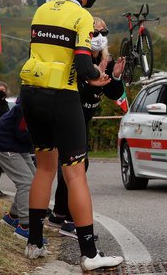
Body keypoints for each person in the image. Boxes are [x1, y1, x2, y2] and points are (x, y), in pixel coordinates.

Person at [19, 0, 123, 270]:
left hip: (30, 92)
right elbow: (81, 63)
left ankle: (34, 243)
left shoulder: (42, 10)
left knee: (44, 168)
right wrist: (96, 77)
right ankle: (90, 254)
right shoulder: (81, 15)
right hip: (61, 96)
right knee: (75, 172)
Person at [47, 17, 125, 238]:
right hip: (68, 118)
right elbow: (72, 88)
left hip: (84, 120)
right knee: (78, 165)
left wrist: (115, 75)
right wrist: (91, 79)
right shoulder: (77, 60)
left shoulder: (105, 61)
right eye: (94, 33)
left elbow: (114, 93)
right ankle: (70, 220)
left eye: (103, 32)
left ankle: (59, 215)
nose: (99, 38)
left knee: (72, 167)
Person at [0, 102, 37, 240]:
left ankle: (12, 217)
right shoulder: (28, 108)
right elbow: (22, 133)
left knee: (35, 179)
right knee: (26, 182)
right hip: (3, 144)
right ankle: (25, 226)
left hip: (18, 145)